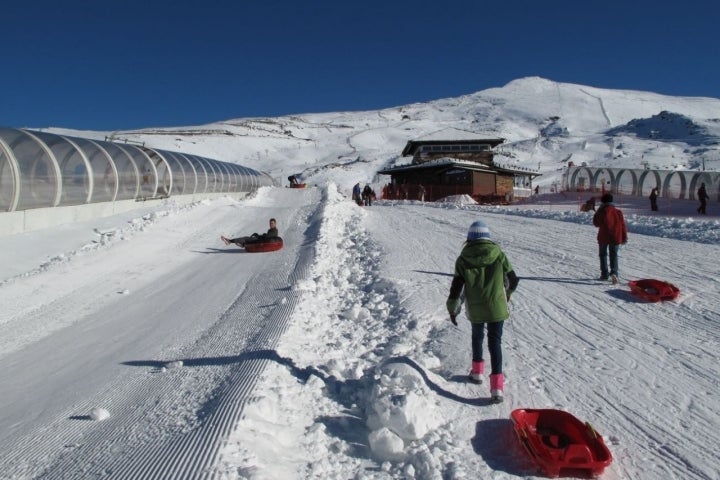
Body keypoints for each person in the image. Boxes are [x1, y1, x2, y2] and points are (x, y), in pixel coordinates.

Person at [446, 220, 519, 404]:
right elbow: (513, 279)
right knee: (495, 343)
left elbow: (456, 287)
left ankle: (477, 373)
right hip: (496, 307)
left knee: (477, 337)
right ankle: (497, 389)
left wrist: (452, 309)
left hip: (476, 308)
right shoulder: (499, 254)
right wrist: (507, 294)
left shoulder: (463, 259)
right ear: (487, 238)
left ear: (469, 239)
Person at [593, 193, 628, 284]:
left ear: (603, 201)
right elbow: (623, 226)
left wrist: (597, 212)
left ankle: (604, 274)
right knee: (614, 255)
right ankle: (614, 273)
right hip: (615, 237)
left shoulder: (601, 211)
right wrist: (624, 237)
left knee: (603, 255)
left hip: (604, 236)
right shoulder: (618, 212)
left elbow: (596, 223)